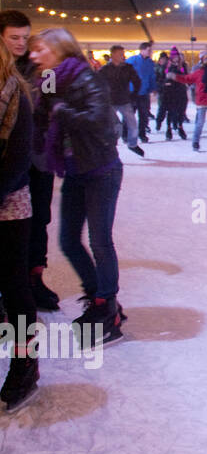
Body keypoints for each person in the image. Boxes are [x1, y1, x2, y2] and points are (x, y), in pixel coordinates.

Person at [28, 28, 126, 344]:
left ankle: (106, 307)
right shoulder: (49, 81)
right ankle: (100, 296)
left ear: (57, 49)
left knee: (100, 241)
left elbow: (99, 119)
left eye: (38, 49)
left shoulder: (86, 77)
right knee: (69, 241)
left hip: (101, 171)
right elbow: (40, 119)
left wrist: (61, 111)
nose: (32, 55)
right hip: (75, 171)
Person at [1, 11, 60, 312]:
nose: (22, 43)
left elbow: (52, 105)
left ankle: (34, 277)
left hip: (37, 157)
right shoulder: (2, 69)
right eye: (15, 37)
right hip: (9, 158)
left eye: (25, 37)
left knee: (39, 220)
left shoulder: (42, 69)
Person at [0, 39, 40, 408]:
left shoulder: (16, 97)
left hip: (9, 206)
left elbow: (16, 161)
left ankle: (25, 362)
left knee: (14, 286)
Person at [99, 46, 146, 157]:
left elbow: (137, 81)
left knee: (133, 125)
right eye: (121, 54)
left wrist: (134, 95)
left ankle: (132, 144)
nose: (123, 56)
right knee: (114, 126)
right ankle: (110, 147)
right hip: (110, 102)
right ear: (113, 55)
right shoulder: (105, 70)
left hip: (125, 100)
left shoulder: (128, 68)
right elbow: (98, 84)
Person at [125, 41, 156, 144]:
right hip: (132, 93)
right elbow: (123, 74)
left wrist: (153, 88)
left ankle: (142, 134)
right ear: (142, 50)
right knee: (129, 115)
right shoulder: (132, 60)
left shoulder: (150, 63)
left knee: (143, 115)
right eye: (148, 50)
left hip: (144, 93)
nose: (150, 52)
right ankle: (125, 134)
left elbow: (152, 76)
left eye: (150, 50)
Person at [158, 48, 189, 140]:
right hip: (170, 92)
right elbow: (161, 78)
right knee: (171, 111)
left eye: (177, 56)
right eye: (174, 56)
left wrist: (181, 79)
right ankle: (169, 129)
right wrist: (165, 82)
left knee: (181, 111)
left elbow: (186, 77)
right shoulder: (166, 66)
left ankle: (180, 127)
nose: (176, 58)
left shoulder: (182, 66)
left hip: (181, 91)